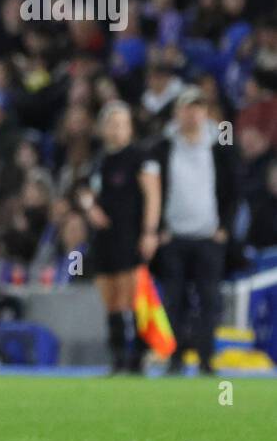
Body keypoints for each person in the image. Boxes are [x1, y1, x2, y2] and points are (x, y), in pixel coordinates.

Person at [148, 86, 238, 375]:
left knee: (209, 300)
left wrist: (224, 227)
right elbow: (153, 189)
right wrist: (159, 226)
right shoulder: (163, 145)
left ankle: (205, 359)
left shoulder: (220, 143)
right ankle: (174, 358)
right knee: (174, 301)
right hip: (173, 236)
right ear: (178, 112)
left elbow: (233, 188)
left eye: (199, 107)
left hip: (208, 236)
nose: (193, 114)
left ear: (206, 112)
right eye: (187, 107)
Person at [77, 100, 162, 375]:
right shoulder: (98, 160)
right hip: (104, 237)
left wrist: (150, 231)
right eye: (111, 124)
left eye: (121, 124)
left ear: (130, 128)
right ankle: (117, 358)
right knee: (110, 298)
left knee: (132, 297)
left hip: (130, 234)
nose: (116, 129)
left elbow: (153, 195)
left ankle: (138, 357)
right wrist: (90, 208)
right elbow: (84, 191)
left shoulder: (140, 157)